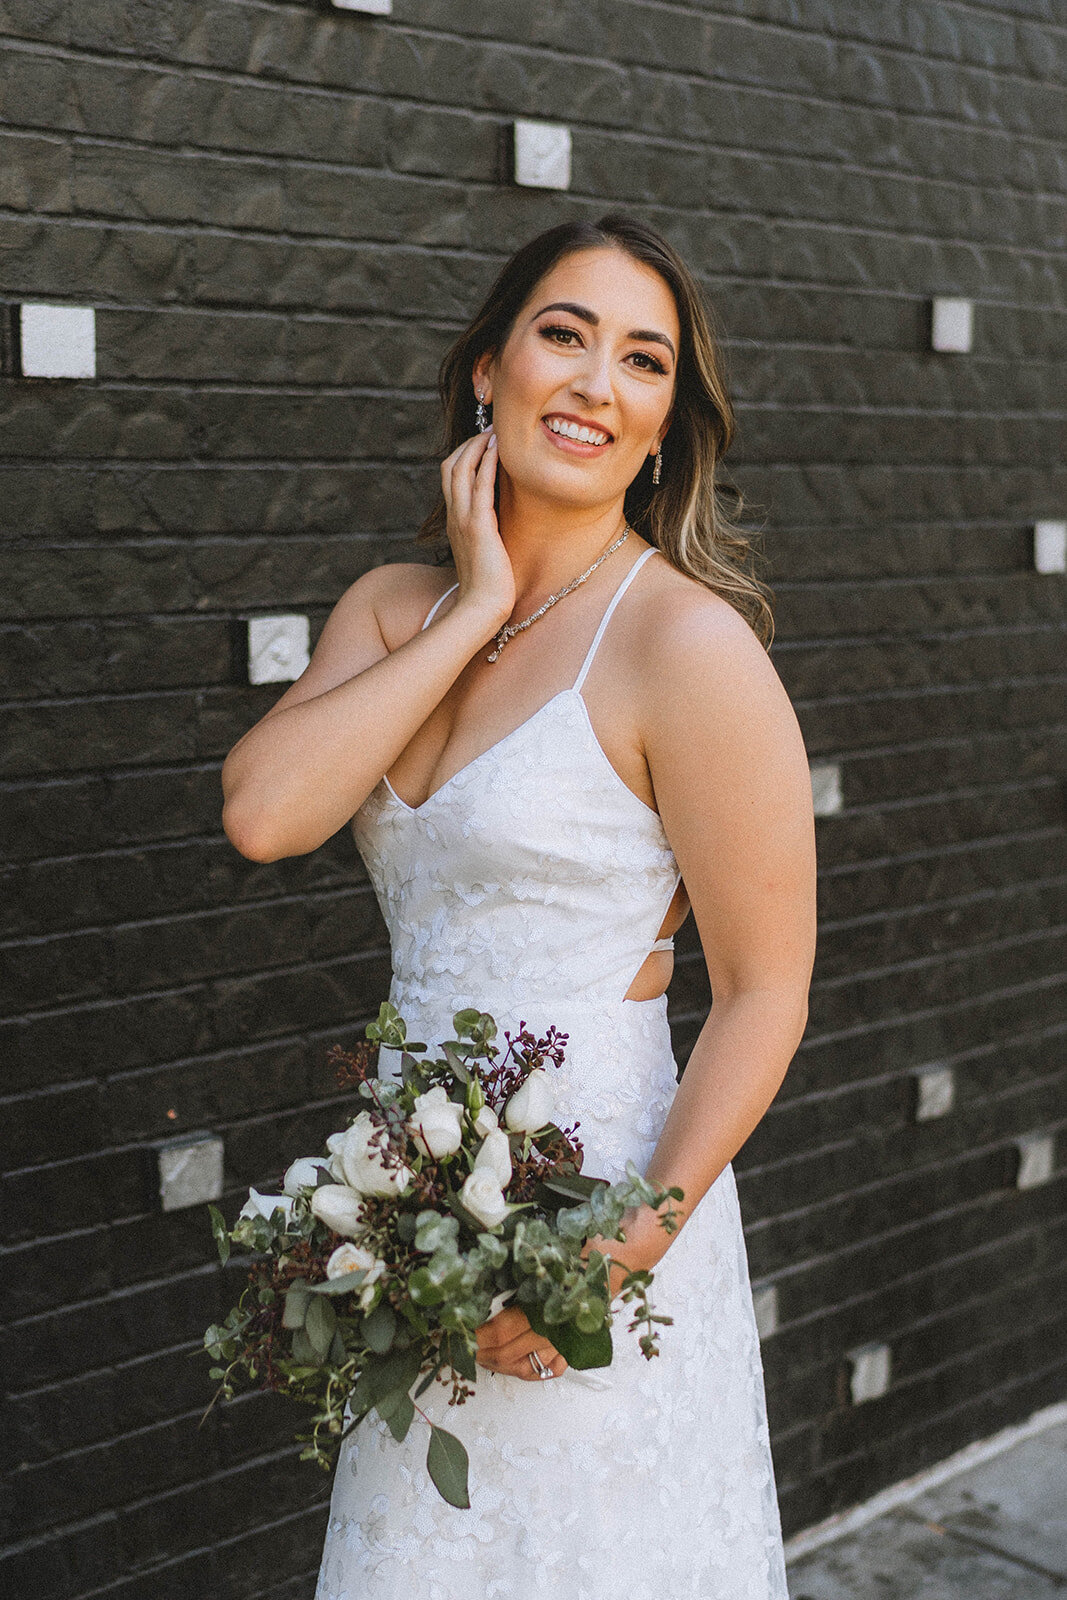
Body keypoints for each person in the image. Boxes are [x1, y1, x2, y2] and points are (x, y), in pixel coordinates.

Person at [221, 212, 816, 1600]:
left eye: (644, 360)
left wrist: (617, 1253)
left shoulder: (687, 647)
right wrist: (476, 594)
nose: (598, 383)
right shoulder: (391, 608)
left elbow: (767, 988)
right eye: (565, 335)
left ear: (666, 422)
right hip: (425, 1218)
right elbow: (265, 814)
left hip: (596, 1207)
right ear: (488, 371)